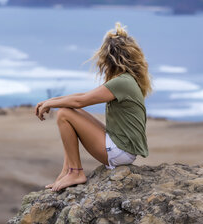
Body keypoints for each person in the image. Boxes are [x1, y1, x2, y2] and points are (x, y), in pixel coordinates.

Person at [35, 22, 152, 192]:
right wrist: (51, 101)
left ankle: (75, 172)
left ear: (109, 58)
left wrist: (50, 104)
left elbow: (80, 100)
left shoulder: (122, 82)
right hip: (122, 149)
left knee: (64, 115)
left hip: (120, 152)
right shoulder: (126, 80)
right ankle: (67, 171)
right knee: (71, 112)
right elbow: (81, 97)